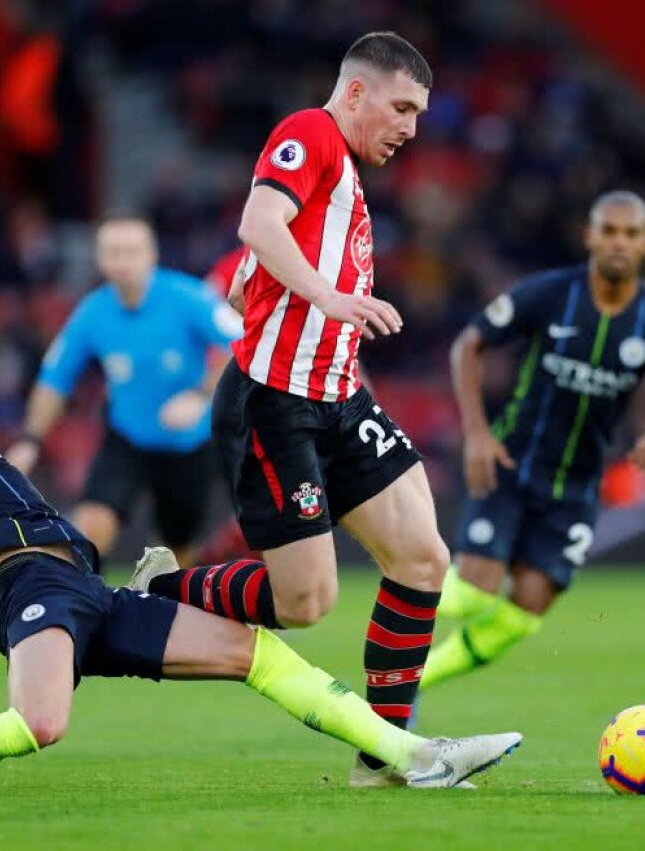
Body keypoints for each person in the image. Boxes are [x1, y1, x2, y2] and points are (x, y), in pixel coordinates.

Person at [0, 300, 520, 797]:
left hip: (84, 587)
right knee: (38, 724)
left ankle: (415, 755)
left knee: (254, 651)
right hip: (26, 587)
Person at [129, 32, 449, 788]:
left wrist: (267, 281)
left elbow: (264, 252)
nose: (410, 128)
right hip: (276, 403)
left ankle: (384, 756)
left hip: (338, 395)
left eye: (418, 114)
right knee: (305, 602)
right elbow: (258, 223)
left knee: (423, 558)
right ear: (357, 93)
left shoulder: (345, 174)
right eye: (402, 108)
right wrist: (326, 295)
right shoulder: (310, 131)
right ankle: (160, 588)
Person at [419, 191, 645, 691]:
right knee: (473, 595)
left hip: (577, 487)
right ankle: (401, 606)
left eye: (631, 233)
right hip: (511, 464)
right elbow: (469, 343)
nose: (619, 242)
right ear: (590, 236)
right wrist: (477, 434)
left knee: (527, 606)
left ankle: (415, 680)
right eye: (609, 231)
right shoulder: (551, 294)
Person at [6, 215, 242, 568]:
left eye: (132, 251)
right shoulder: (93, 312)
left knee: (175, 555)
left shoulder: (189, 296)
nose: (123, 262)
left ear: (152, 255)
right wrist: (30, 440)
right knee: (90, 527)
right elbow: (55, 379)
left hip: (190, 446)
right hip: (126, 440)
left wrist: (200, 395)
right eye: (113, 252)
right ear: (100, 260)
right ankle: (79, 600)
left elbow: (240, 342)